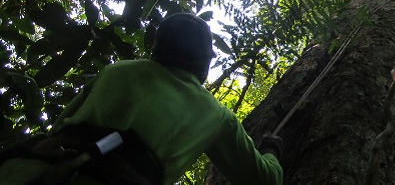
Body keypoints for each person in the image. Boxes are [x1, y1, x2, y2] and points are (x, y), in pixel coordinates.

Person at [0, 13, 283, 185]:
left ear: (157, 48)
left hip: (28, 171)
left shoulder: (118, 70)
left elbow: (60, 125)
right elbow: (263, 181)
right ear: (204, 62)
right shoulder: (215, 114)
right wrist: (271, 150)